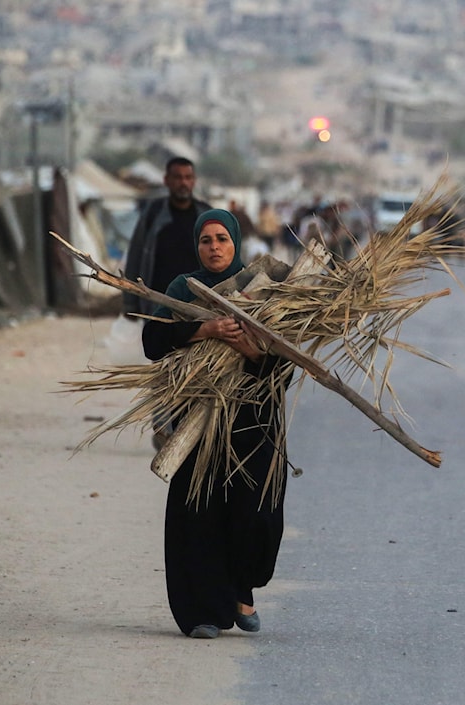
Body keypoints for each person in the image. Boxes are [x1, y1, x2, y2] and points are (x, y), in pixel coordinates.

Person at [142, 209, 291, 639]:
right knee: (198, 513)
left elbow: (285, 366)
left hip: (254, 418)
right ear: (197, 245)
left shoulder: (264, 288)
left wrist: (247, 347)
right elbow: (153, 342)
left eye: (222, 239)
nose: (214, 247)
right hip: (198, 418)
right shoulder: (181, 288)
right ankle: (203, 611)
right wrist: (205, 328)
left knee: (256, 513)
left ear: (236, 242)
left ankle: (242, 592)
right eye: (206, 240)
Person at [122, 157, 213, 320]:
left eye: (188, 177)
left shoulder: (206, 215)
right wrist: (130, 302)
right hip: (158, 303)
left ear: (194, 181)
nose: (183, 183)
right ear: (167, 180)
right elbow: (136, 255)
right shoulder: (153, 214)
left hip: (198, 304)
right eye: (177, 177)